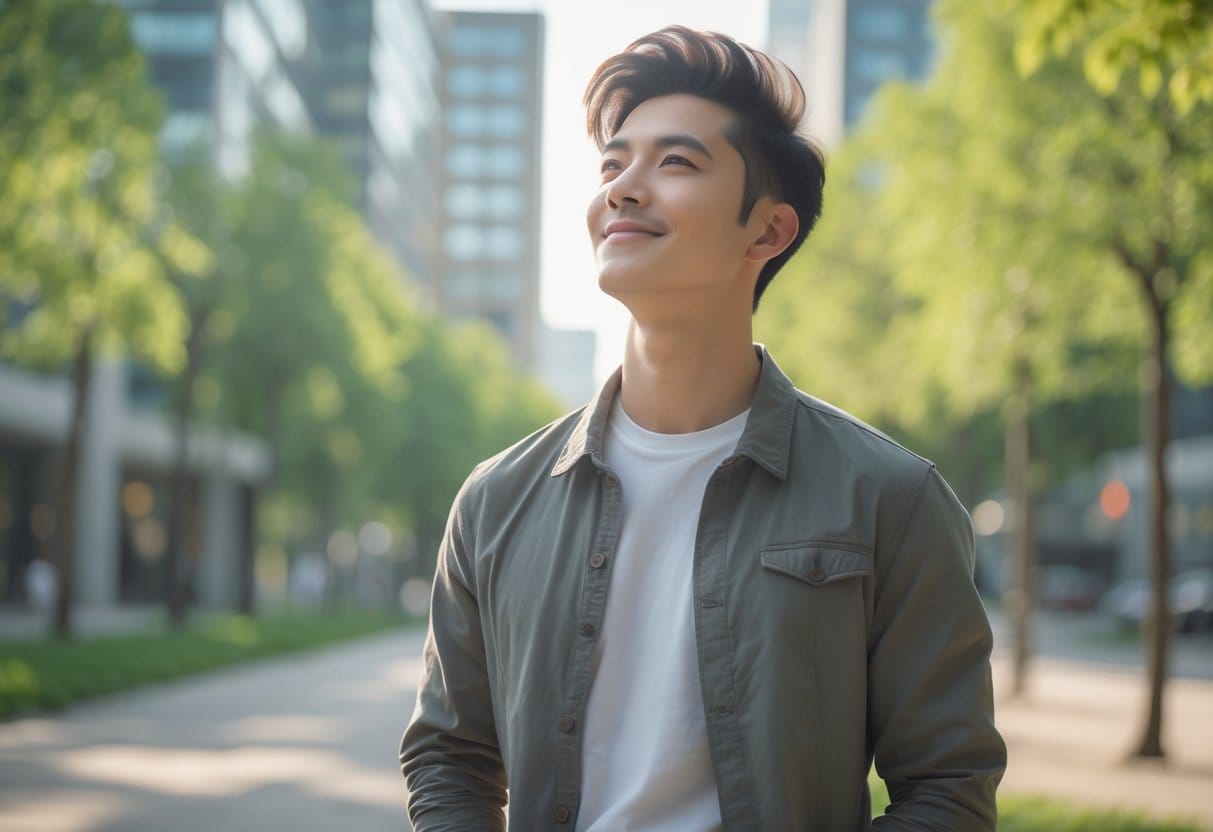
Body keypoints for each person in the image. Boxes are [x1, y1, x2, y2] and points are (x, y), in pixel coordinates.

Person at [400, 25, 1005, 831]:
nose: (623, 188)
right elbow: (449, 757)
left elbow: (947, 786)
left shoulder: (890, 499)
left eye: (675, 163)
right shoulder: (496, 501)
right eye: (612, 165)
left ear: (768, 231)